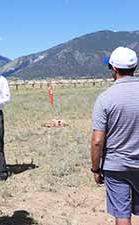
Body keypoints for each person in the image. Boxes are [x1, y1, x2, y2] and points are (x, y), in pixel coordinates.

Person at [91, 46, 139, 225]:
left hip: (116, 166)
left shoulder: (105, 98)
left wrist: (96, 169)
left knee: (122, 214)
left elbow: (97, 141)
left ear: (114, 69)